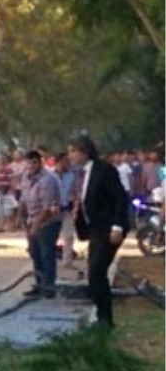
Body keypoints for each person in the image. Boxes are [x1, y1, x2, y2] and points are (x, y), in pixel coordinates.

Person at [69, 135, 129, 328]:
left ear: (84, 151)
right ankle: (101, 315)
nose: (70, 155)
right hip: (95, 229)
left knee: (97, 271)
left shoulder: (104, 170)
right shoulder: (81, 174)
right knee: (93, 274)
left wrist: (117, 226)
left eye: (73, 151)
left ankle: (105, 320)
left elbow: (120, 198)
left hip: (109, 229)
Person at [21, 150, 63, 298]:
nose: (31, 165)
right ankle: (39, 284)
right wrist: (24, 221)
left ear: (40, 162)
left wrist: (36, 226)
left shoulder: (48, 179)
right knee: (35, 253)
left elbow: (47, 207)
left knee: (47, 253)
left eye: (34, 162)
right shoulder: (25, 178)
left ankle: (49, 286)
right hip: (32, 219)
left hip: (48, 221)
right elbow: (23, 200)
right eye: (29, 162)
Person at [54, 152, 79, 269]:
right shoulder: (50, 175)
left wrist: (75, 207)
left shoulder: (71, 175)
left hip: (66, 208)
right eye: (65, 161)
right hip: (52, 209)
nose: (67, 163)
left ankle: (67, 261)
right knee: (52, 235)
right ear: (58, 162)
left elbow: (75, 192)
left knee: (68, 235)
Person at [0, 156, 15, 232]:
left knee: (8, 209)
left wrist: (11, 190)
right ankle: (1, 225)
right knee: (0, 209)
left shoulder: (9, 170)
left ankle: (9, 225)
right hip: (0, 192)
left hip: (7, 191)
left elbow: (12, 180)